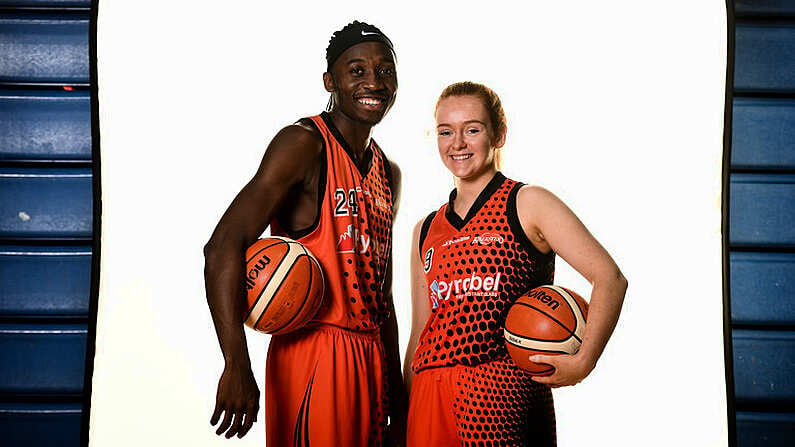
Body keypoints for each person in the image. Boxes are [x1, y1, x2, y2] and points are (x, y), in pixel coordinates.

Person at [203, 21, 407, 446]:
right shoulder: (303, 143)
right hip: (313, 352)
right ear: (330, 81)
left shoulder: (389, 172)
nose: (374, 81)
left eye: (385, 71)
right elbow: (223, 244)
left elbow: (381, 293)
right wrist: (236, 363)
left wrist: (395, 389)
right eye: (358, 70)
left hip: (370, 357)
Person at [403, 82, 628, 446]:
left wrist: (585, 361)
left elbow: (610, 278)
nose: (457, 143)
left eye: (472, 129)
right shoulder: (425, 228)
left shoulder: (528, 203)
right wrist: (404, 414)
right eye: (446, 131)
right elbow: (420, 333)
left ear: (499, 135)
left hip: (499, 396)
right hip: (429, 398)